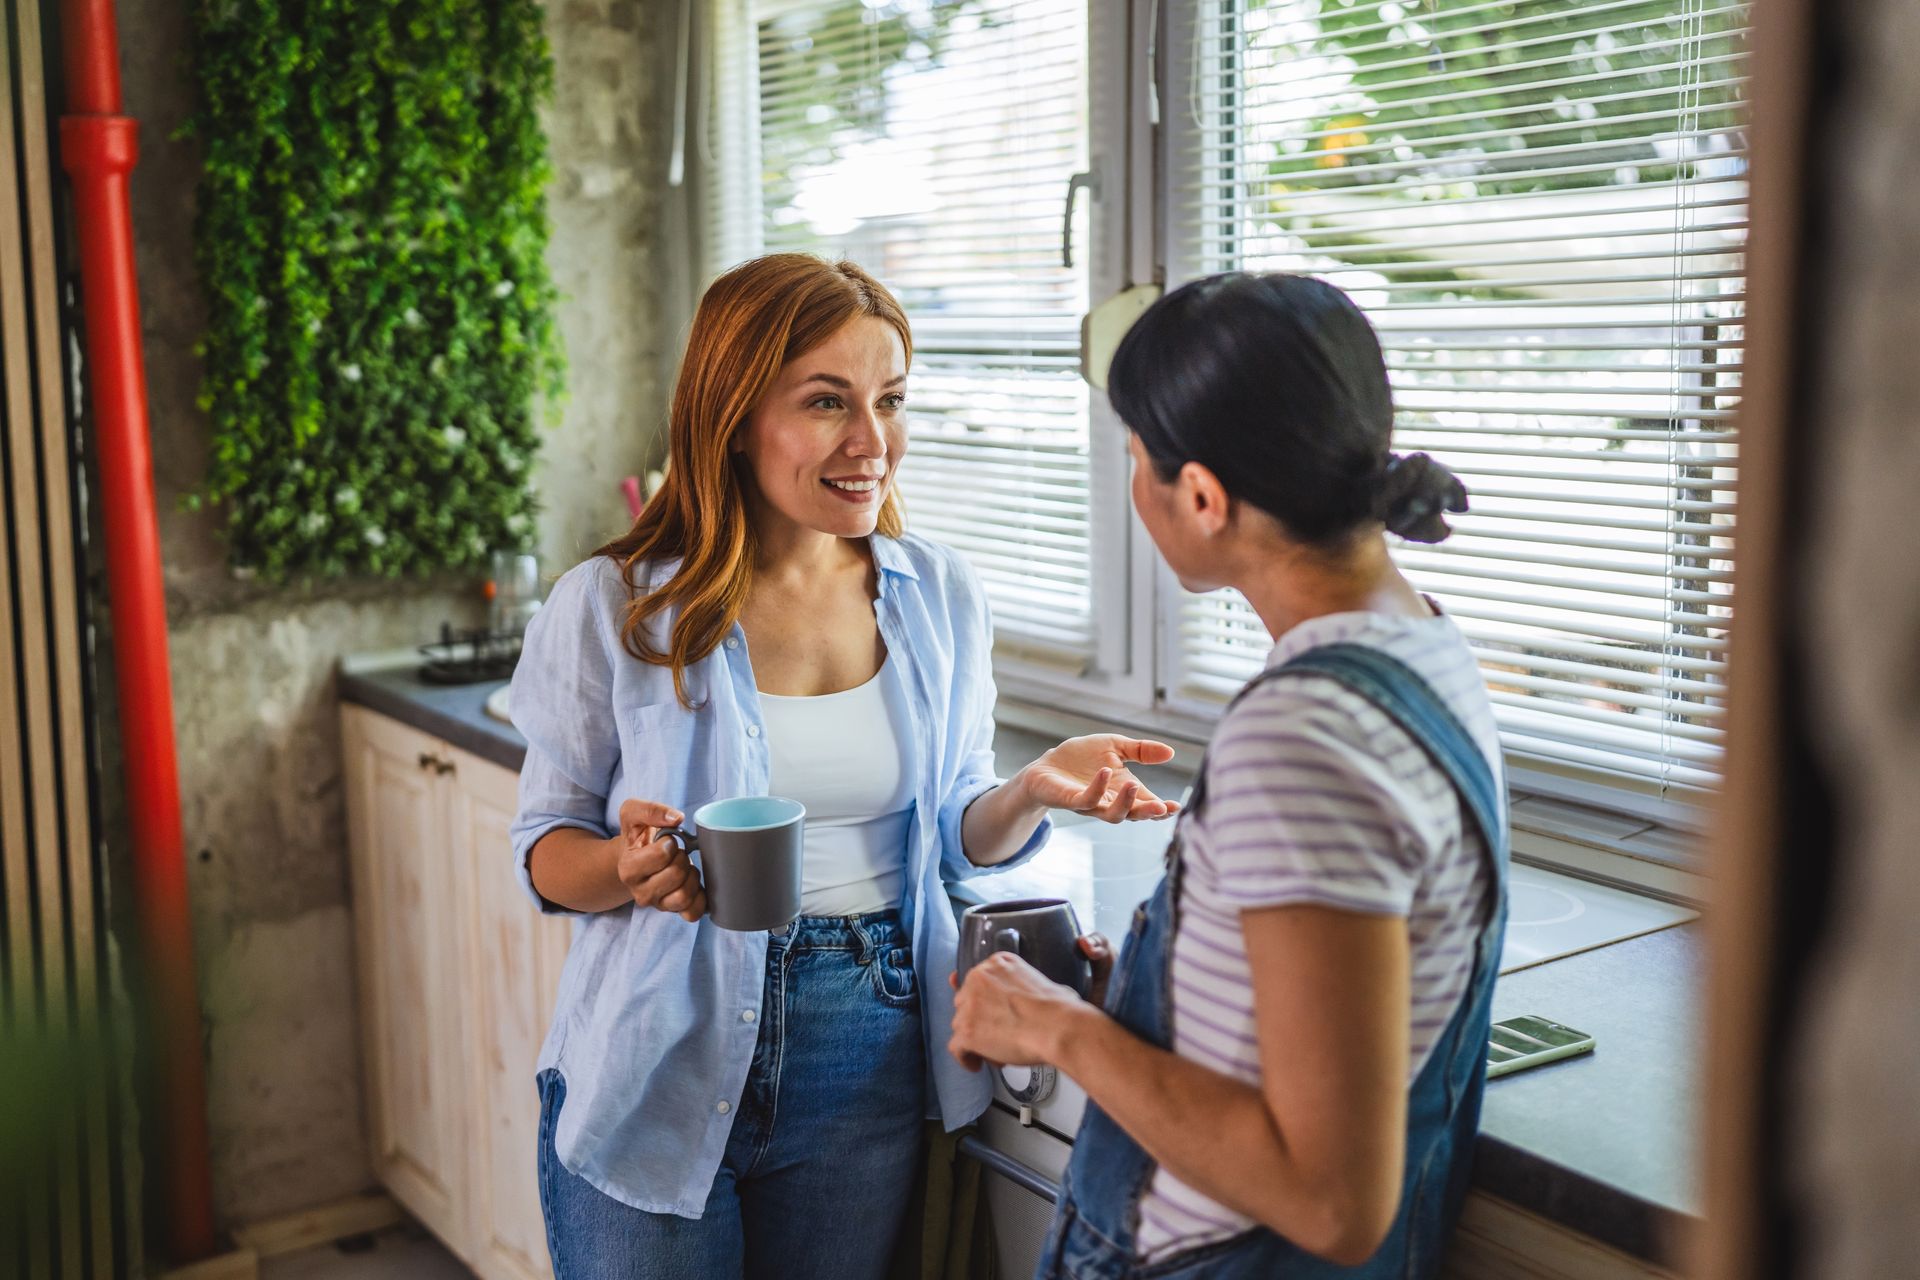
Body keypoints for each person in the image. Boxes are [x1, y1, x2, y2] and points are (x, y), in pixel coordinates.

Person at [507, 253, 1179, 1280]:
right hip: (658, 1048)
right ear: (734, 414)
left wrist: (1032, 787)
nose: (873, 442)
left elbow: (954, 828)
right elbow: (545, 846)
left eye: (891, 400)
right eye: (828, 402)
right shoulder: (615, 606)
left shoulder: (937, 593)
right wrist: (625, 866)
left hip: (869, 1044)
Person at [949, 272, 1508, 1278]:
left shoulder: (1303, 735)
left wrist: (1060, 1026)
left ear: (1202, 495)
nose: (1132, 487)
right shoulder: (1422, 645)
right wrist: (1165, 1002)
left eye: (1135, 459)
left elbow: (1329, 1197)